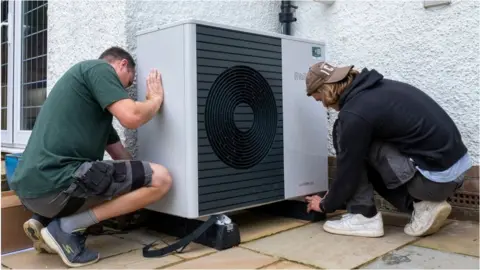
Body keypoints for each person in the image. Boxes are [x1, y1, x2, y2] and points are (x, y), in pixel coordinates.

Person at [9, 47, 172, 267]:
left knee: (125, 176)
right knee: (162, 179)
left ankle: (43, 221)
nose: (126, 89)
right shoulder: (98, 69)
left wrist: (138, 184)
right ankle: (66, 228)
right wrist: (154, 100)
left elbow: (121, 158)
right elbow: (132, 117)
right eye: (129, 82)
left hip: (32, 191)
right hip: (56, 185)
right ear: (122, 64)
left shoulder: (93, 107)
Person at [304, 62, 472, 238]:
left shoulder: (355, 113)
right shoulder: (378, 90)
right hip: (452, 175)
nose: (324, 105)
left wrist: (325, 205)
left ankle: (364, 217)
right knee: (357, 142)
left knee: (345, 134)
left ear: (326, 90)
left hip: (433, 181)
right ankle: (424, 206)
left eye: (319, 98)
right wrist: (332, 195)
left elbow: (349, 168)